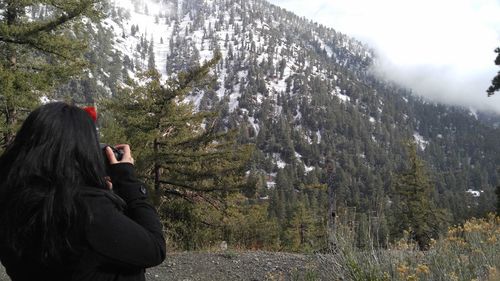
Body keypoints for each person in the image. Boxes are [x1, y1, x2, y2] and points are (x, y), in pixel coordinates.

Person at [0, 102, 165, 281]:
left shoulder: (10, 199)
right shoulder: (87, 212)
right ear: (80, 152)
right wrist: (127, 179)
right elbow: (154, 249)